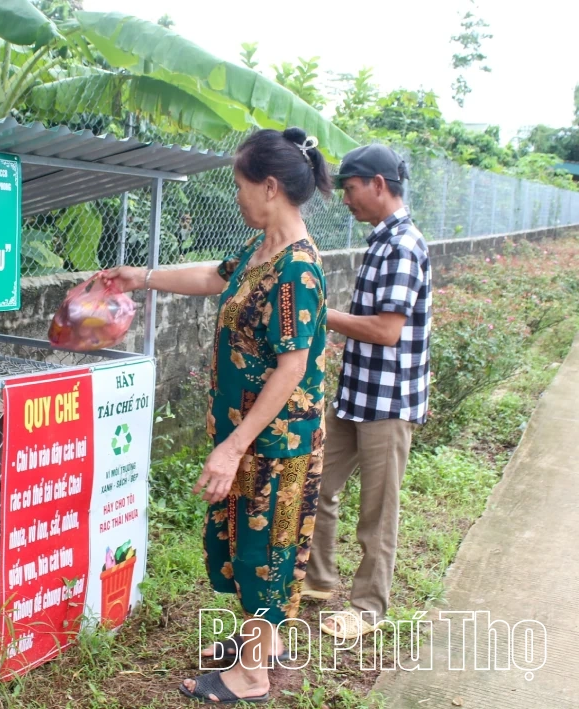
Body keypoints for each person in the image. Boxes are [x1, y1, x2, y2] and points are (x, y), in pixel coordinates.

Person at [104, 127, 331, 704]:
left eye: (240, 184)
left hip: (275, 445)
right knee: (245, 548)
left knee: (267, 555)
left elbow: (291, 368)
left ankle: (252, 676)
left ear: (271, 187)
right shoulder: (264, 254)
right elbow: (214, 277)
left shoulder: (296, 271)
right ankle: (263, 644)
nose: (236, 196)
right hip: (248, 437)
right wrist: (143, 277)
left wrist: (232, 448)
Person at [302, 144, 432, 640]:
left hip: (388, 403)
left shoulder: (402, 244)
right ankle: (317, 581)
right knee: (317, 484)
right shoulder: (382, 240)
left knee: (377, 511)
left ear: (378, 184)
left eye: (351, 189)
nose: (345, 200)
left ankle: (368, 607)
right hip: (357, 394)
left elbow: (385, 331)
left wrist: (318, 311)